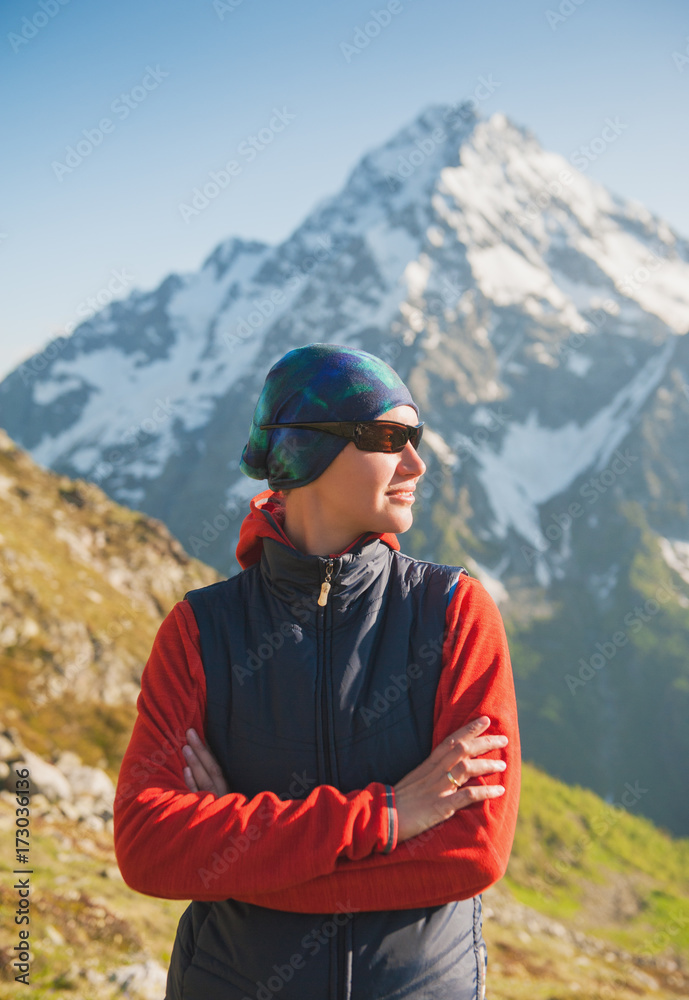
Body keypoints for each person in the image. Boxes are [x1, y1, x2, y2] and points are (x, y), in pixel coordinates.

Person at [114, 343, 521, 1000]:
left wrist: (232, 853)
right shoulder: (199, 631)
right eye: (389, 438)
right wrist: (388, 816)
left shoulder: (453, 613)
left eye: (414, 438)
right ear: (307, 450)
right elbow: (145, 846)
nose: (416, 463)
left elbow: (472, 850)